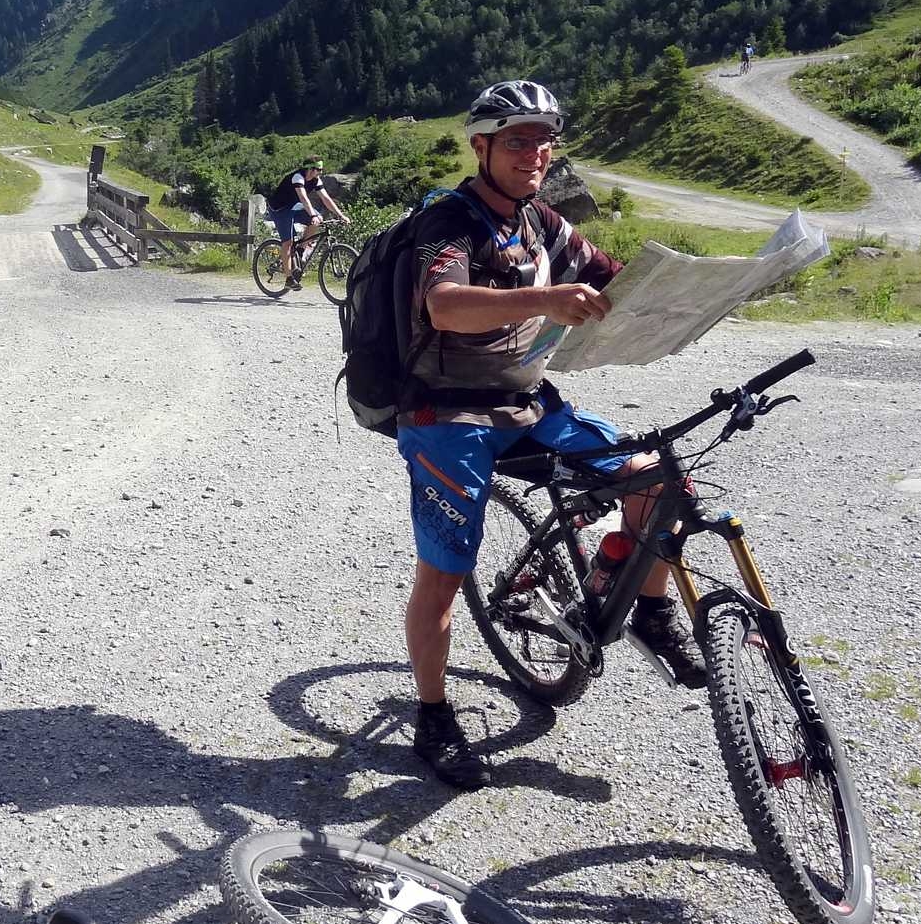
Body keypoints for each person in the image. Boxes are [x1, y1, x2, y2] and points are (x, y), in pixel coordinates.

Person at [397, 79, 707, 790]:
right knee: (444, 574)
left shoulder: (542, 221)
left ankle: (650, 609)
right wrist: (545, 298)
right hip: (446, 416)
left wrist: (690, 298)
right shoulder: (448, 221)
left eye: (544, 141)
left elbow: (615, 280)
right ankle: (432, 716)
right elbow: (444, 306)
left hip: (526, 404)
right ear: (481, 147)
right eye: (517, 140)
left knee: (659, 478)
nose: (534, 153)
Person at [263, 156, 349, 289]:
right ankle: (289, 279)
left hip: (294, 206)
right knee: (288, 243)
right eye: (318, 169)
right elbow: (303, 198)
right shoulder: (297, 177)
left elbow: (326, 198)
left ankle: (300, 250)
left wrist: (341, 215)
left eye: (321, 169)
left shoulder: (316, 180)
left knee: (318, 220)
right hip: (280, 209)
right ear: (310, 169)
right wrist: (312, 214)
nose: (320, 172)